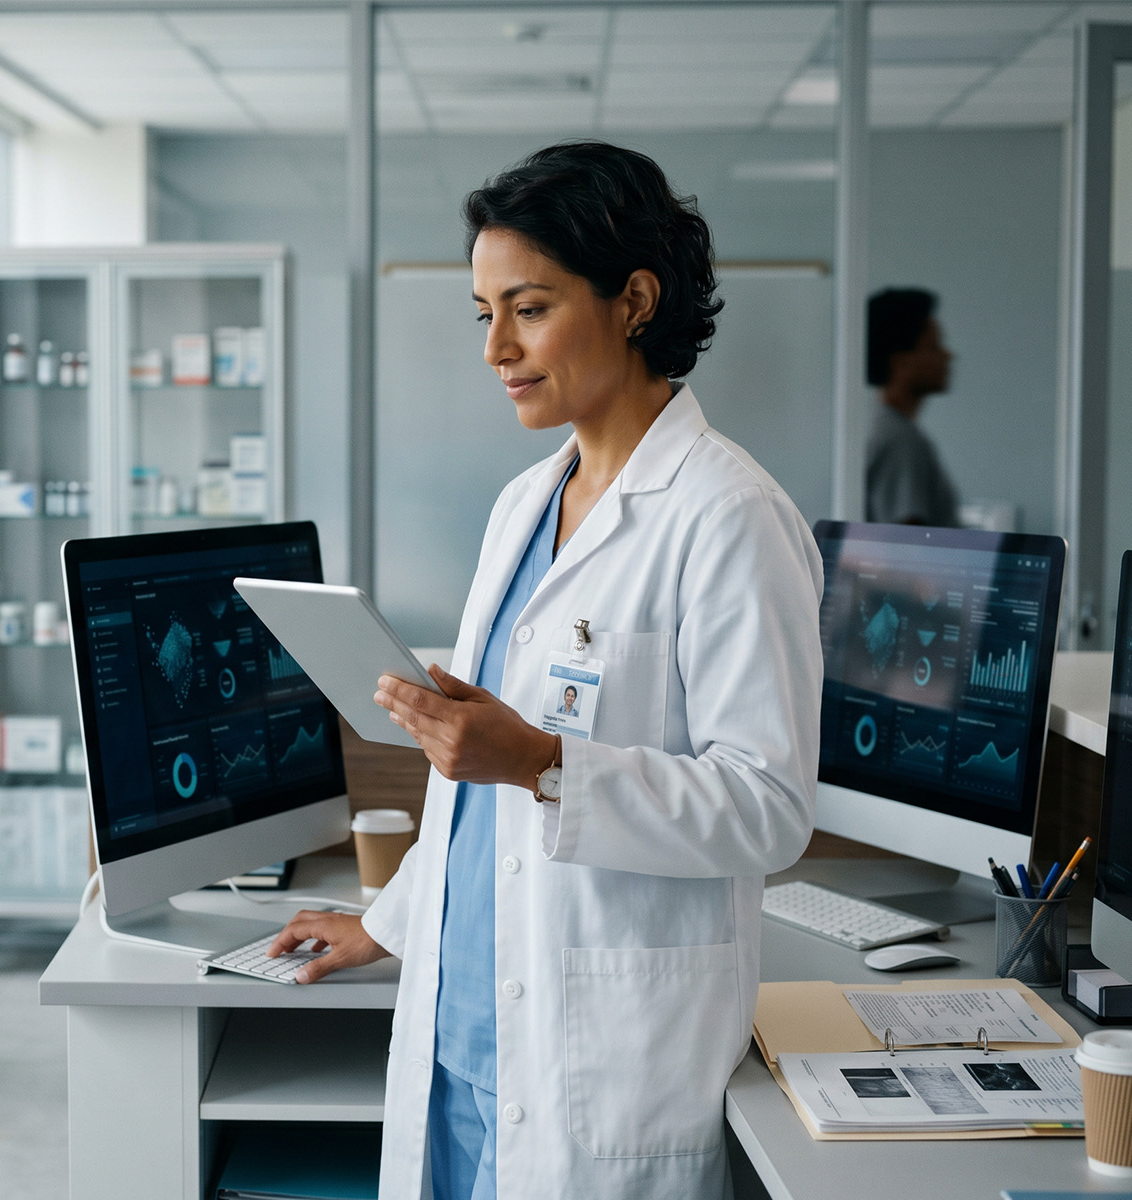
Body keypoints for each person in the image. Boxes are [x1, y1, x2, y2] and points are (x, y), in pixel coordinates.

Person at [266, 142, 823, 1200]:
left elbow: (770, 806)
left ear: (634, 300)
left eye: (526, 307)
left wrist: (541, 764)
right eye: (484, 315)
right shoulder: (524, 503)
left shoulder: (728, 516)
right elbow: (468, 801)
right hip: (467, 1038)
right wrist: (385, 924)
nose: (495, 348)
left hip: (602, 1070)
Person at [865, 287, 959, 526]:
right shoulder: (901, 440)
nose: (948, 355)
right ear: (902, 361)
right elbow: (906, 544)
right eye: (934, 346)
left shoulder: (877, 425)